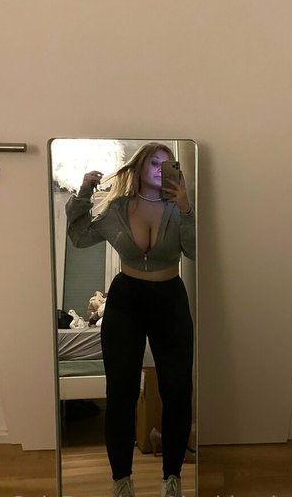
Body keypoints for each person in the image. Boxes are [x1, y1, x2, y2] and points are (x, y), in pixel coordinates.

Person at [65, 142, 195, 497]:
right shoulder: (118, 209)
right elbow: (79, 237)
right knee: (120, 394)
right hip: (126, 302)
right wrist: (83, 193)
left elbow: (195, 250)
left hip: (170, 301)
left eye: (168, 164)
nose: (160, 169)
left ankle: (172, 479)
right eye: (154, 162)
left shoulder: (178, 208)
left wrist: (186, 208)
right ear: (138, 168)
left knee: (177, 392)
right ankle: (121, 481)